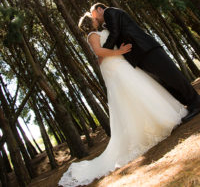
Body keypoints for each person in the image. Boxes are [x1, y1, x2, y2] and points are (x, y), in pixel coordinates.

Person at [58, 12, 187, 187]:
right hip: (113, 66)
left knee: (140, 88)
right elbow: (98, 51)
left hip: (118, 62)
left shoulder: (100, 31)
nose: (97, 19)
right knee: (132, 92)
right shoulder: (92, 36)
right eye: (94, 18)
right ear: (91, 22)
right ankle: (153, 126)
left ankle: (158, 119)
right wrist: (119, 51)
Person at [90, 3, 200, 123]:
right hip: (140, 54)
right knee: (165, 81)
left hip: (146, 48)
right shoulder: (107, 22)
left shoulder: (109, 12)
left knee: (172, 76)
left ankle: (196, 103)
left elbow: (115, 33)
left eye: (93, 14)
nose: (93, 17)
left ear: (100, 9)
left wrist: (103, 53)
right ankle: (190, 105)